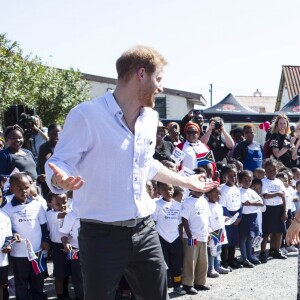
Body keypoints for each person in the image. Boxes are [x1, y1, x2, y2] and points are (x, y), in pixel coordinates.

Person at [45, 46, 218, 300]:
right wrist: (60, 180)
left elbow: (147, 164)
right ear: (141, 74)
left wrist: (186, 180)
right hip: (100, 235)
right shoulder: (87, 115)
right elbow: (60, 164)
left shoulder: (151, 118)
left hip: (145, 229)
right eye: (158, 79)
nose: (160, 88)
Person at [2, 173, 50, 300]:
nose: (24, 191)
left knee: (38, 280)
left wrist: (45, 239)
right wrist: (13, 234)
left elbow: (43, 224)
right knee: (21, 282)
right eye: (19, 188)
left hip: (37, 251)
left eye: (26, 187)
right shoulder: (7, 208)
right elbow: (5, 228)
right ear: (11, 189)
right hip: (19, 254)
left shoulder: (37, 205)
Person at [152, 182, 186, 295]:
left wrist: (181, 238)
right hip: (161, 239)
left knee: (177, 264)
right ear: (159, 191)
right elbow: (153, 222)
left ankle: (177, 285)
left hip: (175, 239)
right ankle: (164, 288)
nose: (168, 192)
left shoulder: (178, 205)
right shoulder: (156, 205)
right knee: (163, 265)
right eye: (164, 189)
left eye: (170, 189)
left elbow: (180, 224)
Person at [181, 174, 211, 295]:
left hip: (203, 236)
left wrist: (208, 232)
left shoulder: (204, 201)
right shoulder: (187, 202)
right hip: (192, 237)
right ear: (191, 187)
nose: (199, 190)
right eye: (196, 187)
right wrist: (189, 235)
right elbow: (184, 220)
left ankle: (200, 282)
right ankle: (188, 284)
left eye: (202, 187)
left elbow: (206, 218)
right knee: (190, 260)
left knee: (203, 260)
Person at [259, 158, 287, 263]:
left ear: (277, 170)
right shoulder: (264, 181)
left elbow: (284, 197)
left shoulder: (279, 181)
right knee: (266, 232)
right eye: (269, 170)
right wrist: (276, 194)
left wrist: (284, 211)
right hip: (268, 209)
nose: (271, 171)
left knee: (279, 231)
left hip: (279, 208)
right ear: (265, 171)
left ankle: (275, 250)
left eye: (274, 169)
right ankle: (262, 252)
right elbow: (265, 195)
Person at [46, 192, 70, 300]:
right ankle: (60, 296)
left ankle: (66, 294)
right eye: (58, 203)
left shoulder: (69, 211)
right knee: (60, 273)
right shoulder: (50, 214)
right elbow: (63, 215)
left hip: (71, 245)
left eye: (64, 202)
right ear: (50, 204)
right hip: (58, 246)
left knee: (68, 272)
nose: (62, 206)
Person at [238, 170, 264, 267]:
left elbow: (261, 202)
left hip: (254, 217)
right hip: (245, 217)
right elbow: (243, 203)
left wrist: (252, 203)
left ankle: (250, 256)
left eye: (249, 180)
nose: (248, 182)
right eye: (245, 180)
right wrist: (254, 203)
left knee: (250, 237)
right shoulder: (239, 191)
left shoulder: (252, 191)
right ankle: (244, 258)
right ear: (240, 180)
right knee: (244, 238)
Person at [219, 164, 243, 269]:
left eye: (235, 175)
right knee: (226, 241)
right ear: (225, 177)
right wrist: (231, 218)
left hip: (235, 217)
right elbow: (222, 206)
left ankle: (232, 259)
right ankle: (224, 261)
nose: (233, 178)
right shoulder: (223, 189)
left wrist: (239, 217)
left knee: (233, 240)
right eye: (230, 175)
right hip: (227, 218)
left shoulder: (237, 188)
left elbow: (240, 204)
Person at [60, 210, 84, 300]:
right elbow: (63, 233)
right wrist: (65, 243)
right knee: (79, 279)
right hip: (76, 250)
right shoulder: (72, 215)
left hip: (96, 250)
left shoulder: (98, 211)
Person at [206, 187, 229, 278]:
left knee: (219, 249)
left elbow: (218, 217)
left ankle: (217, 265)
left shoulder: (219, 206)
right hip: (213, 231)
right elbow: (206, 219)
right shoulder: (206, 205)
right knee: (212, 250)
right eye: (215, 193)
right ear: (208, 194)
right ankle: (211, 268)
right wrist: (209, 230)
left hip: (220, 231)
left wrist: (225, 218)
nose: (218, 195)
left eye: (219, 193)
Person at [39, 124, 62, 197]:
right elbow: (47, 162)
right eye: (53, 134)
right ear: (48, 134)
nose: (56, 137)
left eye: (58, 134)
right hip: (49, 180)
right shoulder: (44, 147)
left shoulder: (65, 146)